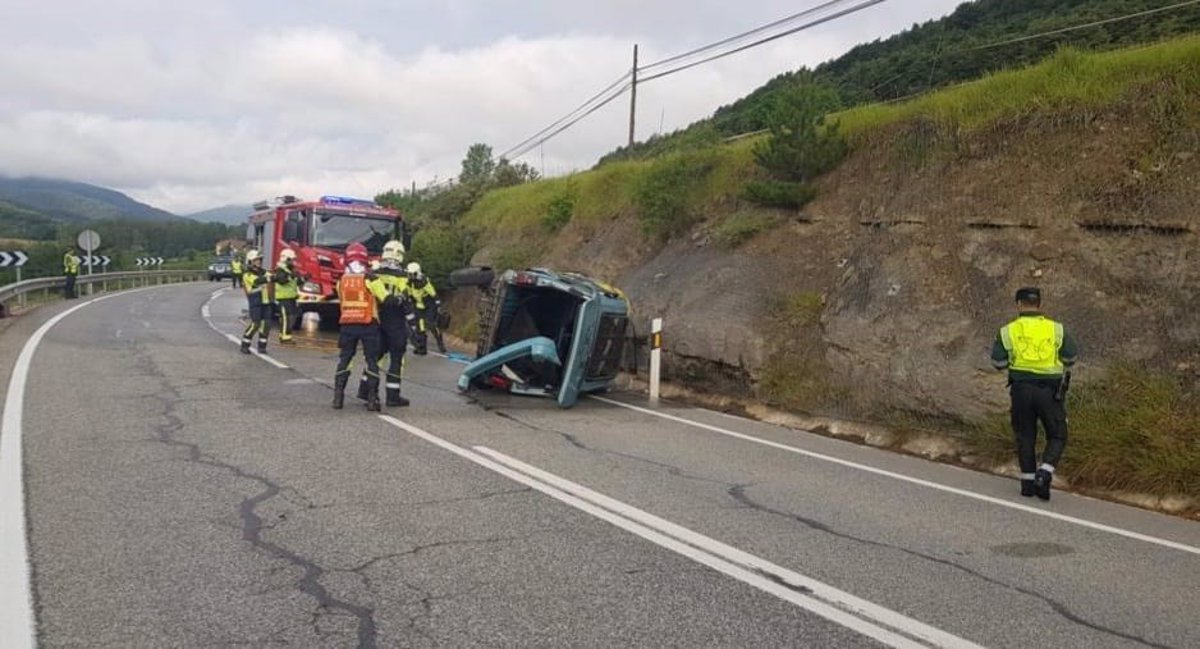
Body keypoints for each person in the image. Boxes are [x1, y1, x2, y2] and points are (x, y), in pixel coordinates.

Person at [991, 287, 1079, 500]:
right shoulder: (1056, 329)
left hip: (1021, 391)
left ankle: (1028, 483)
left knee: (1025, 435)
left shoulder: (1008, 330)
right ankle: (1045, 472)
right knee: (1058, 434)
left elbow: (998, 362)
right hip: (1050, 392)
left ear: (1019, 304)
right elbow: (1070, 358)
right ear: (1039, 304)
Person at [356, 240, 417, 407]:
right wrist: (414, 327)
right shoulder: (404, 276)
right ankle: (393, 396)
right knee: (397, 358)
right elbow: (406, 302)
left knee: (374, 357)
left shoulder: (374, 272)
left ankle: (364, 390)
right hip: (395, 321)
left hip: (375, 318)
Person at [332, 242, 389, 411]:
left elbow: (341, 300)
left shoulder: (341, 281)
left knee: (345, 360)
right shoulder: (371, 279)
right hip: (368, 325)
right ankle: (372, 399)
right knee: (371, 361)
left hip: (347, 325)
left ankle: (338, 397)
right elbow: (385, 298)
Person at [408, 262, 446, 354]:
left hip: (429, 306)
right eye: (409, 274)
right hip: (418, 306)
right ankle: (422, 348)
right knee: (420, 327)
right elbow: (409, 294)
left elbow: (433, 293)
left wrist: (438, 304)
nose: (411, 276)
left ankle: (440, 343)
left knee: (431, 324)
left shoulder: (424, 282)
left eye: (413, 274)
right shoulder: (409, 283)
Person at [240, 250, 272, 354]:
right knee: (255, 324)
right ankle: (245, 344)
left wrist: (278, 277)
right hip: (255, 301)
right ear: (250, 261)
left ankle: (262, 347)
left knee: (266, 324)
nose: (258, 262)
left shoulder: (264, 272)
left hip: (265, 301)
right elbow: (258, 281)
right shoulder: (247, 274)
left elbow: (270, 277)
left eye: (259, 259)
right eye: (255, 260)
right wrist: (270, 278)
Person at [273, 248, 301, 344]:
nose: (293, 262)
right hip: (283, 299)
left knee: (292, 317)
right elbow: (281, 280)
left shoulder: (290, 270)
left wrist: (304, 279)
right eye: (291, 260)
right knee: (285, 318)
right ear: (286, 259)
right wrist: (291, 276)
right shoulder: (280, 269)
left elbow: (296, 283)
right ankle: (284, 337)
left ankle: (287, 336)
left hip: (292, 298)